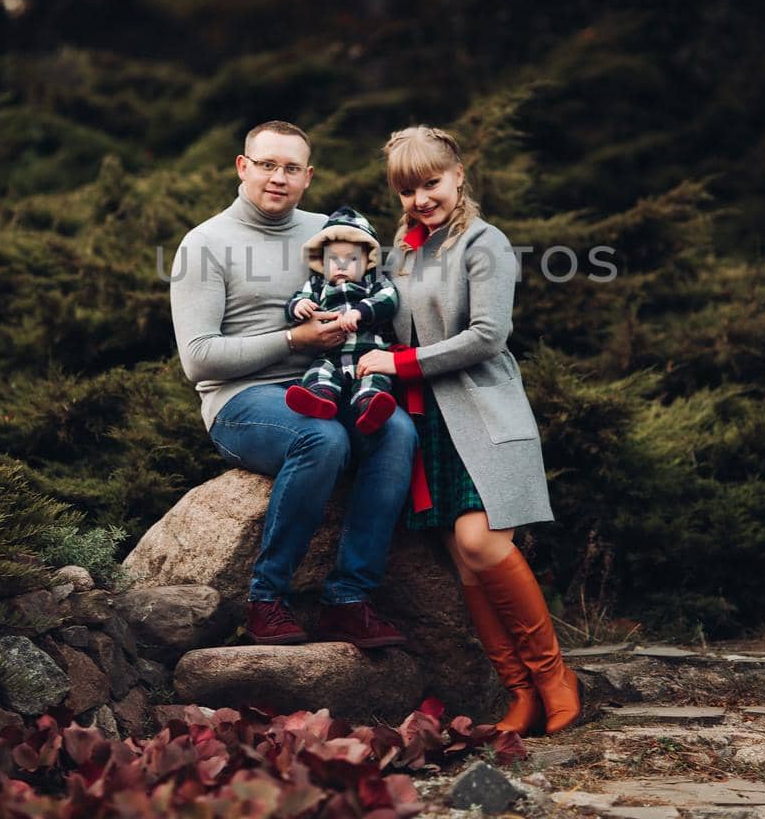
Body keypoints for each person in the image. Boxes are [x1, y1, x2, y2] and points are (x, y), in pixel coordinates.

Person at [356, 124, 581, 734]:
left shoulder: (485, 243)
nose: (420, 198)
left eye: (431, 182)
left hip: (480, 412)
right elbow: (382, 323)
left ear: (458, 176)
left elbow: (488, 336)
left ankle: (555, 676)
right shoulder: (400, 252)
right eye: (407, 189)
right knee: (464, 560)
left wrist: (400, 363)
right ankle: (520, 693)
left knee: (483, 544)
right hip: (423, 425)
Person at [170, 120, 416, 649]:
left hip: (336, 381)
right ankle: (266, 600)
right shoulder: (205, 244)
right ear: (243, 167)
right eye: (266, 165)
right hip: (241, 400)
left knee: (395, 431)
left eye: (289, 168)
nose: (277, 178)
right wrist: (295, 338)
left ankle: (349, 600)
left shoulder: (332, 233)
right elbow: (197, 359)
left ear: (307, 177)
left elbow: (389, 292)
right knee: (320, 438)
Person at [284, 205, 398, 434]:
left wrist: (360, 311)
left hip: (367, 355)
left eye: (351, 259)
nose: (341, 266)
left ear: (367, 262)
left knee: (374, 380)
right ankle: (319, 400)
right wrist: (299, 306)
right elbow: (296, 301)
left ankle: (370, 408)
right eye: (333, 260)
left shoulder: (371, 282)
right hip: (330, 356)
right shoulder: (317, 284)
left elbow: (389, 298)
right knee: (318, 374)